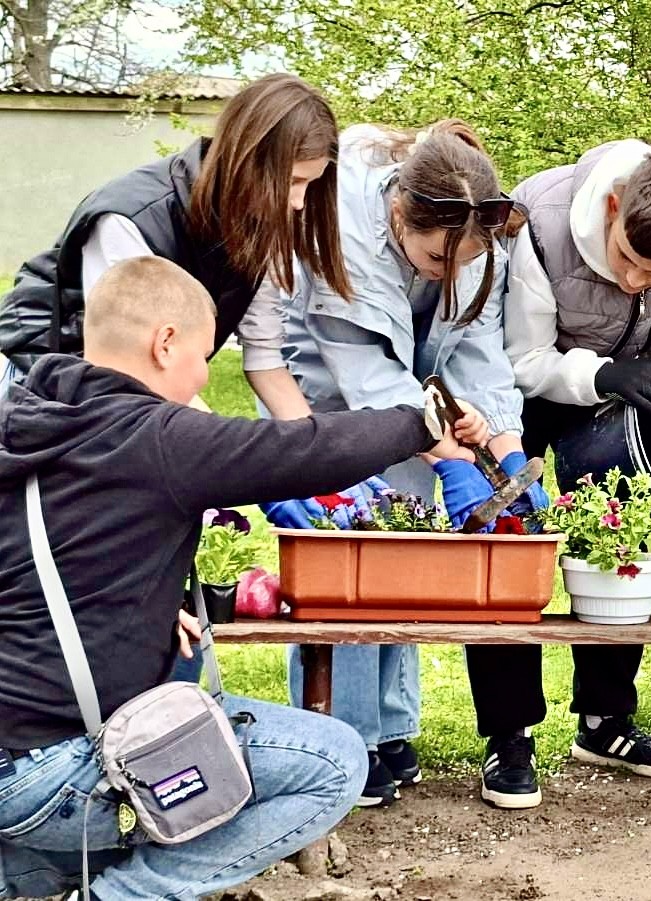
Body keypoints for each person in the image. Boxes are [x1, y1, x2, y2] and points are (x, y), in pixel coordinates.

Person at [0, 256, 468, 900]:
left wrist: (139, 603)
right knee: (332, 763)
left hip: (12, 758)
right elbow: (302, 451)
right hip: (61, 773)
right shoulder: (153, 437)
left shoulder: (28, 421)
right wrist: (422, 423)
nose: (202, 377)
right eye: (203, 356)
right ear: (165, 343)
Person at [262, 119, 541, 809]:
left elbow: (477, 349)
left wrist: (503, 445)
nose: (448, 272)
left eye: (461, 261)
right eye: (435, 257)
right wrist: (447, 445)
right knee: (351, 563)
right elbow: (365, 371)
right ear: (397, 213)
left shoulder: (480, 238)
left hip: (413, 400)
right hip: (329, 394)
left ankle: (388, 729)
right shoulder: (343, 229)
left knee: (405, 547)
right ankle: (344, 736)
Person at [465, 139, 651, 808]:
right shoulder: (541, 223)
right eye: (627, 259)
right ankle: (509, 735)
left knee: (616, 543)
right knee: (509, 553)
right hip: (522, 401)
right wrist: (601, 374)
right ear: (612, 207)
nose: (635, 281)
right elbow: (521, 359)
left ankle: (606, 722)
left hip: (619, 400)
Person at [0, 73, 348, 424]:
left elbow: (264, 357)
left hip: (124, 391)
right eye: (292, 182)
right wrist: (216, 443)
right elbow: (132, 370)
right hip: (36, 374)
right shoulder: (131, 219)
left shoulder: (260, 224)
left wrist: (313, 444)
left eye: (310, 184)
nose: (299, 202)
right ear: (247, 158)